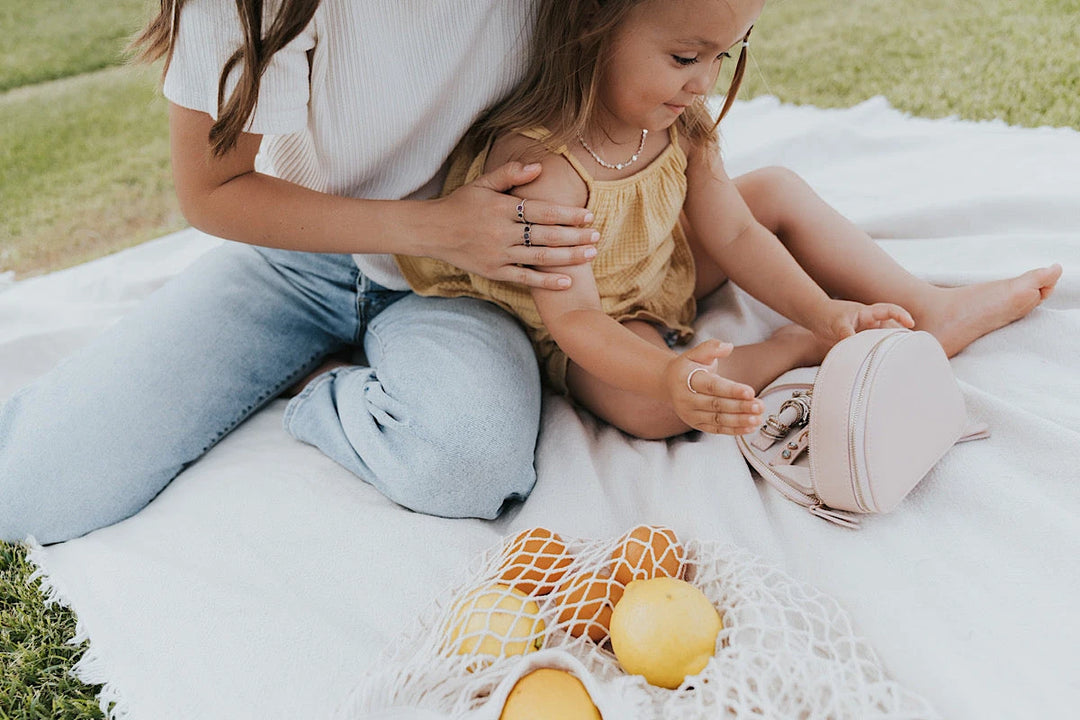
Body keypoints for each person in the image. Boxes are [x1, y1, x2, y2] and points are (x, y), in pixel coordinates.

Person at [0, 0, 603, 545]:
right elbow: (212, 191)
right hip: (298, 255)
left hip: (462, 282)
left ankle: (324, 379)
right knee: (27, 492)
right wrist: (439, 228)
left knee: (470, 465)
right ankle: (318, 368)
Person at [396, 0, 1062, 440]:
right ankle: (794, 350)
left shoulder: (680, 120)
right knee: (649, 410)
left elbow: (737, 234)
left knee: (773, 189)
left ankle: (925, 303)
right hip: (584, 318)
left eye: (724, 54)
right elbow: (577, 322)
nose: (704, 81)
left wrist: (824, 307)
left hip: (657, 268)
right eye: (686, 57)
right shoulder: (545, 168)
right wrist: (669, 374)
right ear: (590, 28)